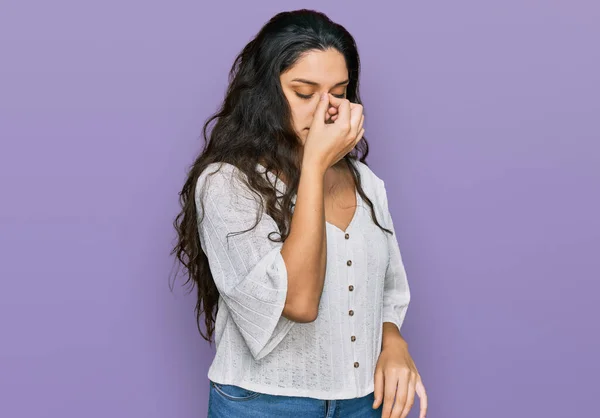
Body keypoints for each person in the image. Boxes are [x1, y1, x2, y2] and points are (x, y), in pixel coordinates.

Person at [171, 8, 427, 418]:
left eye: (339, 93)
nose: (325, 109)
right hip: (265, 404)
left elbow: (389, 290)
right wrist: (314, 165)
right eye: (304, 93)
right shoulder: (226, 184)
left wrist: (394, 340)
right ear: (266, 93)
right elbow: (299, 301)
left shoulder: (366, 181)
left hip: (364, 402)